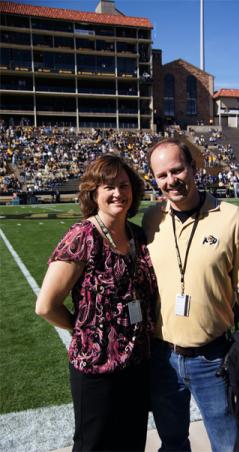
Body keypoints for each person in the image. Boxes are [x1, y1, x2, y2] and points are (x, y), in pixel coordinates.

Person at [142, 139, 239, 452]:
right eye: (162, 175)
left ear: (193, 168)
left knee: (228, 444)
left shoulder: (231, 217)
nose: (171, 180)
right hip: (163, 357)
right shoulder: (151, 219)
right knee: (172, 442)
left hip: (214, 358)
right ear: (154, 179)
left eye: (178, 169)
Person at [36, 154, 157, 452]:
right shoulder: (83, 236)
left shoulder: (137, 235)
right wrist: (82, 329)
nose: (119, 193)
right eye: (109, 186)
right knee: (94, 444)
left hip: (137, 363)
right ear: (94, 192)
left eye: (124, 185)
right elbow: (46, 305)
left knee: (131, 442)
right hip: (96, 367)